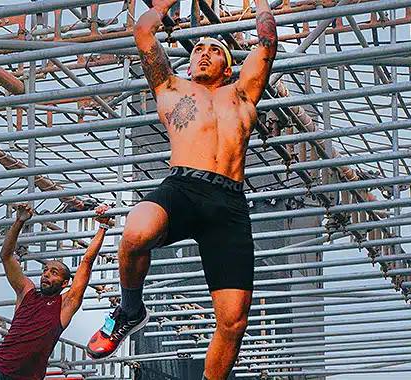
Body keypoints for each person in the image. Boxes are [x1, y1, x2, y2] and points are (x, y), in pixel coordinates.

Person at [84, 0, 278, 379]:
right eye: (199, 50)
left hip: (228, 203)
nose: (205, 54)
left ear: (227, 65)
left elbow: (267, 42)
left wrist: (261, 4)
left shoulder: (243, 95)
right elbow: (143, 33)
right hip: (184, 186)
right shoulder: (172, 88)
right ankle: (130, 309)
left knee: (234, 321)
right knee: (136, 230)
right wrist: (162, 6)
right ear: (189, 64)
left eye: (215, 51)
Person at [0, 203, 111, 380]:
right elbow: (6, 256)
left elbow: (86, 261)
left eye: (53, 273)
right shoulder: (27, 292)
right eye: (45, 270)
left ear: (64, 283)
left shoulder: (65, 304)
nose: (46, 275)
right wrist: (19, 221)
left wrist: (103, 226)